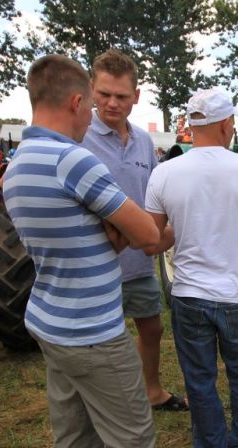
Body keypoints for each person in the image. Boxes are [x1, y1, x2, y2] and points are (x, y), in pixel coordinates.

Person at [3, 54, 164, 448]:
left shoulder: (17, 164)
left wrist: (113, 230)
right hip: (94, 331)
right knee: (130, 439)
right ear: (78, 101)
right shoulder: (73, 159)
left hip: (50, 322)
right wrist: (120, 228)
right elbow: (147, 235)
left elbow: (83, 236)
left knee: (73, 436)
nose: (100, 109)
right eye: (95, 101)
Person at [145, 87, 238, 448]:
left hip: (190, 296)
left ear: (190, 125)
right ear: (226, 125)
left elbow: (156, 239)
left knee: (200, 379)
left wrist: (186, 232)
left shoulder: (165, 172)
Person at [80, 49, 187, 412]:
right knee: (98, 341)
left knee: (152, 329)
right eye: (105, 93)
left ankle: (152, 391)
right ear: (91, 89)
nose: (112, 103)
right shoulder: (78, 138)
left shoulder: (143, 142)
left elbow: (154, 192)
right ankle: (104, 404)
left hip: (139, 259)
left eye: (122, 96)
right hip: (96, 261)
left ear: (136, 97)